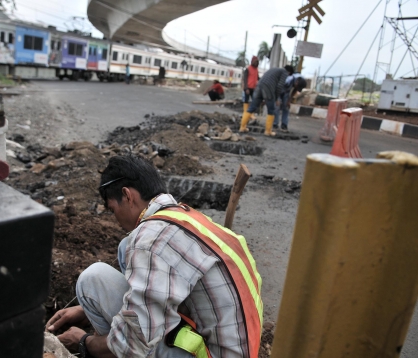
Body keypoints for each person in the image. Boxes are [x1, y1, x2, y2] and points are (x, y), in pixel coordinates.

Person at [46, 155, 263, 358]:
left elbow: (132, 344)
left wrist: (85, 342)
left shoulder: (151, 239)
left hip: (209, 353)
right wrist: (86, 310)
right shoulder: (186, 217)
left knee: (92, 279)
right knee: (125, 247)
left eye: (113, 210)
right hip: (239, 348)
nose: (115, 220)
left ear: (128, 196)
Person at [239, 66, 293, 136]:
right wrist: (276, 98)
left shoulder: (273, 69)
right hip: (269, 88)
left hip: (259, 86)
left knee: (251, 108)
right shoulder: (284, 73)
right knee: (271, 110)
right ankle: (268, 131)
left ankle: (242, 127)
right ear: (289, 72)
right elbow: (279, 86)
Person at [273, 66, 307, 132]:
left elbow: (295, 89)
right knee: (277, 107)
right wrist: (277, 98)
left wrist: (289, 100)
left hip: (286, 92)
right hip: (279, 90)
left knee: (286, 107)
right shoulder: (288, 80)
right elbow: (278, 87)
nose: (297, 87)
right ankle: (275, 124)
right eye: (297, 86)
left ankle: (284, 125)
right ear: (296, 82)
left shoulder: (301, 80)